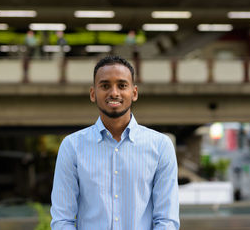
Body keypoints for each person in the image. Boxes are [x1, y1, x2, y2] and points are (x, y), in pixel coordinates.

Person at [50, 55, 179, 229]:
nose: (114, 92)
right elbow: (62, 220)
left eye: (122, 85)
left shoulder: (160, 146)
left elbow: (166, 219)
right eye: (105, 86)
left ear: (134, 93)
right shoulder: (72, 146)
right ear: (93, 94)